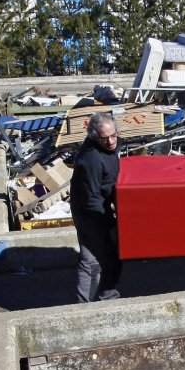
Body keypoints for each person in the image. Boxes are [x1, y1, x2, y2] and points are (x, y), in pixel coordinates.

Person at [70, 111, 122, 302]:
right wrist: (108, 225)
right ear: (94, 137)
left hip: (99, 209)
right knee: (93, 260)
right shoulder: (91, 160)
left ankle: (105, 295)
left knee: (104, 257)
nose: (111, 142)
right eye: (104, 138)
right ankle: (88, 305)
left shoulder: (108, 147)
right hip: (91, 214)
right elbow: (91, 199)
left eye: (113, 135)